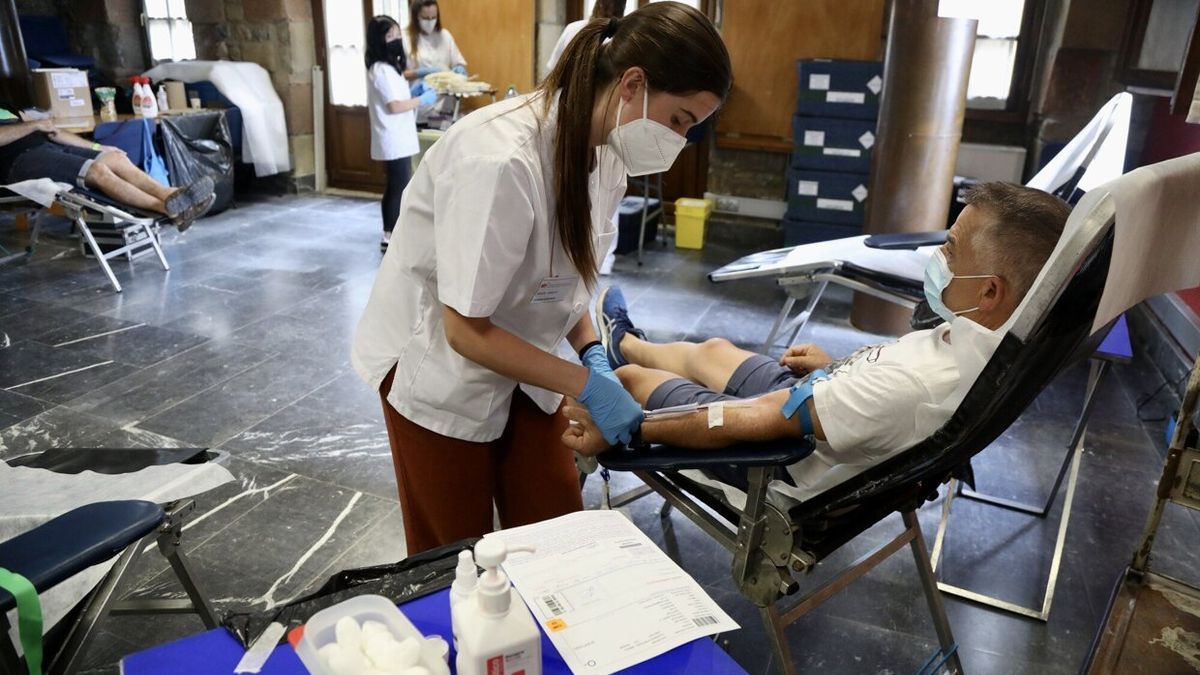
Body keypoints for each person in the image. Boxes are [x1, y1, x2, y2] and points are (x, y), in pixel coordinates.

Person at [352, 2, 732, 554]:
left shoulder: (608, 157)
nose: (678, 141)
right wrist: (585, 384)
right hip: (439, 367)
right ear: (632, 83)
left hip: (527, 357)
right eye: (678, 121)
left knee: (556, 534)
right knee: (456, 561)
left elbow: (565, 274)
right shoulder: (501, 159)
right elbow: (464, 329)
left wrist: (592, 351)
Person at [563, 183, 1071, 506]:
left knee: (628, 387)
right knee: (714, 348)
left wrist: (624, 426)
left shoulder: (910, 386)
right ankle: (626, 342)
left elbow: (752, 420)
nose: (938, 255)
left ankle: (626, 362)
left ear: (989, 291)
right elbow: (882, 393)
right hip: (829, 402)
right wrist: (839, 368)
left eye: (952, 249)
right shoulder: (985, 341)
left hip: (779, 453)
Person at [0, 107, 214, 231]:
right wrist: (32, 125)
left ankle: (175, 196)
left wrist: (98, 147)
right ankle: (168, 208)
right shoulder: (25, 126)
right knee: (97, 171)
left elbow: (51, 131)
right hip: (17, 164)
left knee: (115, 159)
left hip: (47, 147)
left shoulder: (6, 106)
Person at [547, 0, 628, 276]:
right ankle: (594, 261)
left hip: (598, 125)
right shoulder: (578, 31)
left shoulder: (622, 36)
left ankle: (592, 260)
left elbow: (551, 76)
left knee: (603, 190)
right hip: (581, 123)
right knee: (591, 191)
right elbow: (555, 77)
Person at [366, 15, 439, 252]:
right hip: (392, 136)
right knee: (398, 185)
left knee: (399, 183)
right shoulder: (379, 70)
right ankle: (390, 235)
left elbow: (399, 92)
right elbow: (394, 106)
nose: (396, 40)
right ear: (379, 40)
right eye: (390, 36)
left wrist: (414, 87)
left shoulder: (390, 67)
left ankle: (393, 232)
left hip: (399, 135)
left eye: (398, 35)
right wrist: (421, 99)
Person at [402, 0, 467, 80]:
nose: (430, 21)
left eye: (433, 18)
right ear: (416, 17)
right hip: (419, 90)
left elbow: (458, 61)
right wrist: (419, 73)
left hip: (445, 88)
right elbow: (399, 74)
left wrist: (459, 68)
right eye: (425, 18)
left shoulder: (444, 35)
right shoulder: (404, 38)